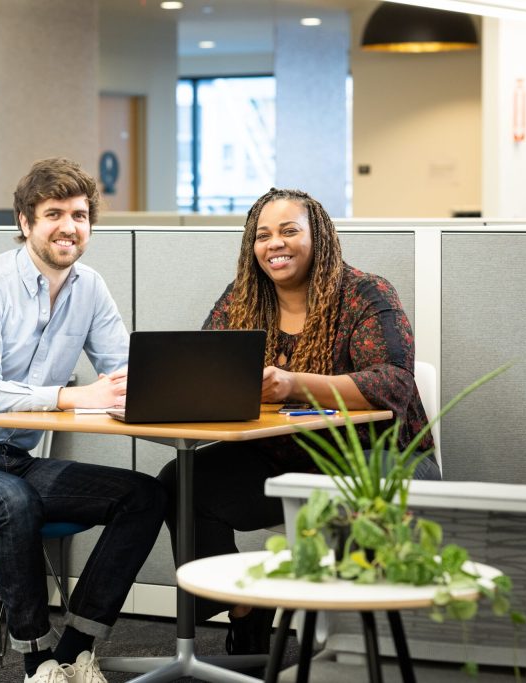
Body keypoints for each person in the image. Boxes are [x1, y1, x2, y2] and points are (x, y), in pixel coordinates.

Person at [0, 157, 166, 683]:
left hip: (14, 461)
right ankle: (38, 662)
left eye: (79, 214)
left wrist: (158, 392)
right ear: (26, 222)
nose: (69, 226)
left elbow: (122, 372)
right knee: (13, 502)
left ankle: (74, 650)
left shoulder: (89, 287)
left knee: (146, 495)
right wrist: (76, 398)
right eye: (54, 213)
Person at [157, 187, 439, 657]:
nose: (275, 244)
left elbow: (394, 384)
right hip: (282, 462)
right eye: (263, 235)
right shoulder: (243, 300)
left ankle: (355, 644)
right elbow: (208, 365)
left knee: (360, 494)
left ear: (320, 237)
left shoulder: (365, 294)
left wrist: (294, 384)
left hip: (380, 460)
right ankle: (241, 605)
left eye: (289, 231)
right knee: (182, 482)